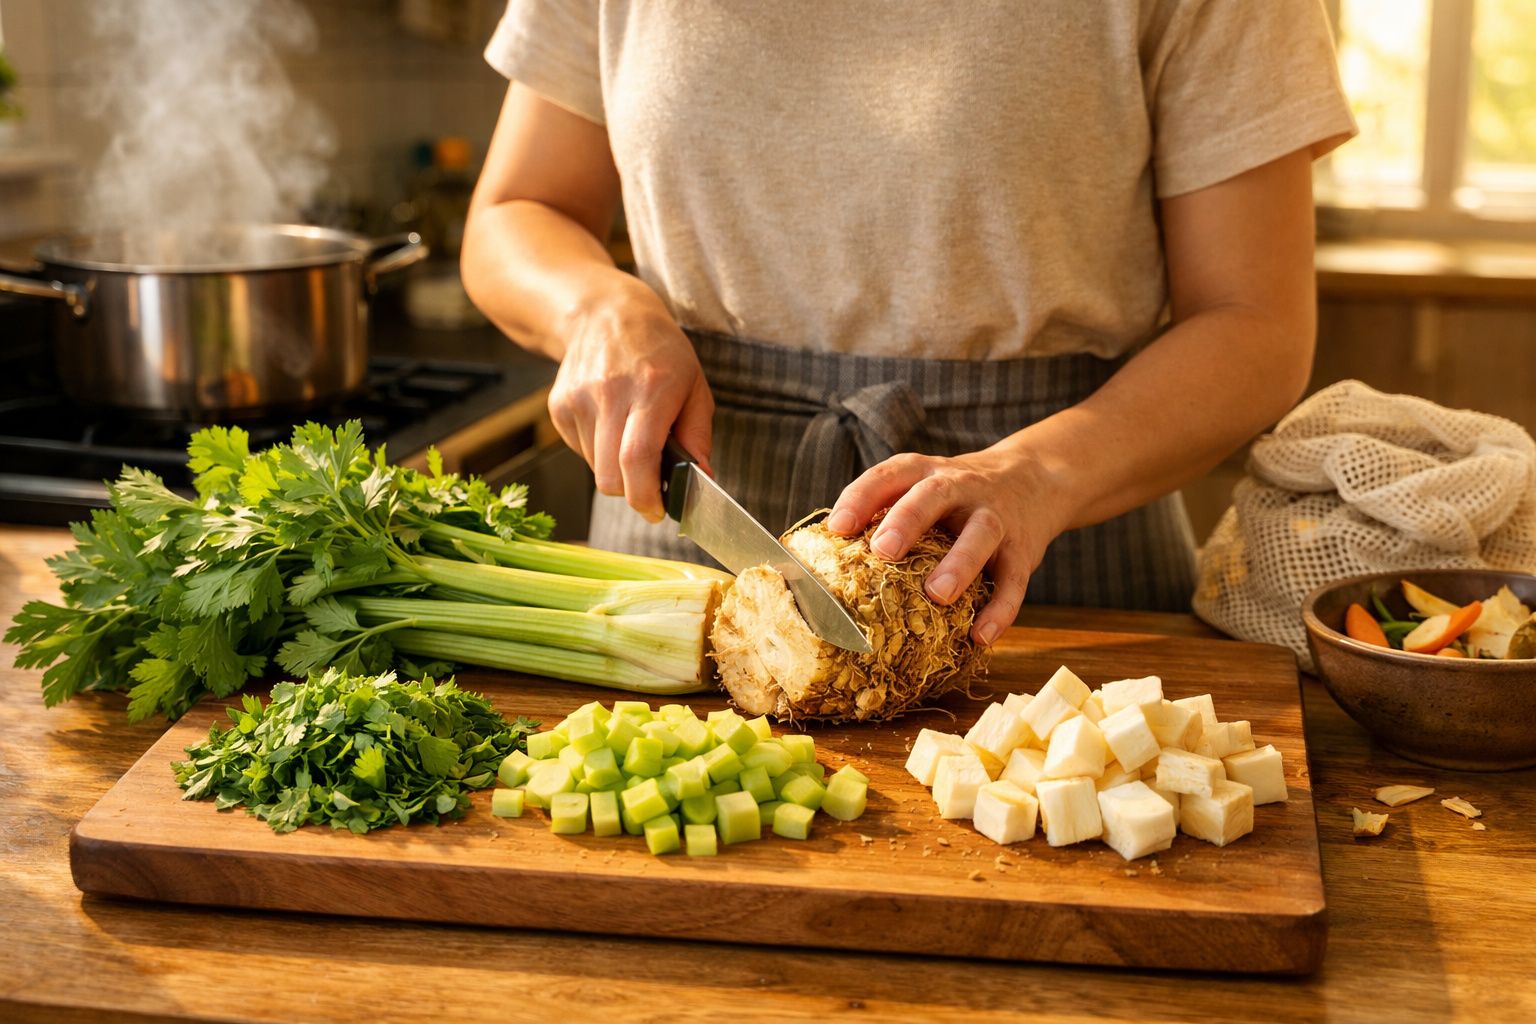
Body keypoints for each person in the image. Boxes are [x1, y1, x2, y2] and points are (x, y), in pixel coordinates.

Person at [460, 2, 1356, 646]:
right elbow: (517, 210)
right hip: (688, 533)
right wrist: (598, 307)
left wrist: (1035, 477)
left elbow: (1255, 323)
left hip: (1059, 557)